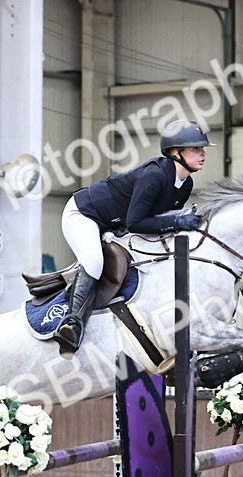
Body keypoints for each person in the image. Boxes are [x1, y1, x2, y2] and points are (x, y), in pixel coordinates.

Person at [53, 119, 212, 354]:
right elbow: (136, 223)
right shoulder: (155, 176)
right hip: (84, 214)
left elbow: (157, 223)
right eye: (196, 148)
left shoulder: (186, 184)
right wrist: (178, 220)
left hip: (115, 225)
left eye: (202, 149)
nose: (202, 154)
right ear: (176, 152)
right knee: (94, 262)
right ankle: (71, 323)